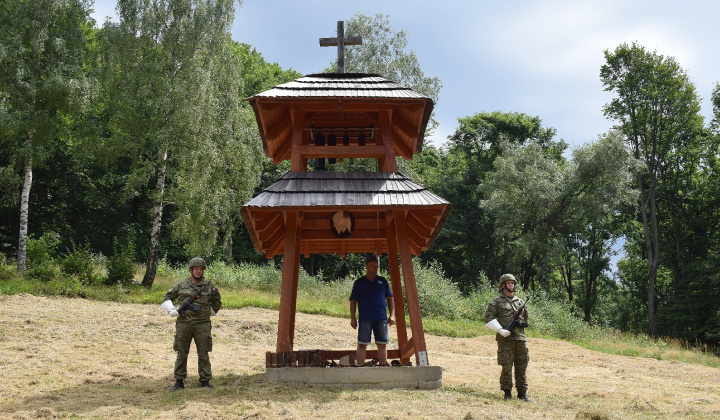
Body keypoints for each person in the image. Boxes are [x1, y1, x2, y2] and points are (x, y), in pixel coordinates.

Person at [162, 257, 222, 391]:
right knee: (182, 352)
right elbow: (167, 297)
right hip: (184, 324)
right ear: (191, 270)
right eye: (196, 269)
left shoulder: (209, 286)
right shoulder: (181, 285)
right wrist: (171, 309)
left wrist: (209, 313)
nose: (198, 271)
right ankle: (179, 381)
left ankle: (205, 381)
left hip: (202, 325)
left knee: (203, 353)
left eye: (200, 269)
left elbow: (217, 301)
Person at [484, 273, 532, 401]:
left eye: (512, 283)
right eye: (509, 283)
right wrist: (500, 330)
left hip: (520, 339)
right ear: (503, 285)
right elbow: (488, 318)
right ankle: (507, 392)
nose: (511, 285)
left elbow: (526, 319)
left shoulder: (520, 302)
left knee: (522, 366)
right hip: (505, 340)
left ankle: (522, 393)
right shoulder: (497, 301)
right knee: (506, 366)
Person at [349, 254, 395, 366]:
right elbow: (353, 301)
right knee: (362, 343)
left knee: (382, 343)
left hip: (381, 318)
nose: (375, 267)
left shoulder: (382, 281)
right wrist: (353, 318)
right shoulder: (359, 282)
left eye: (376, 265)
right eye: (372, 265)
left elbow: (390, 298)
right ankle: (360, 367)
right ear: (366, 266)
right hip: (365, 318)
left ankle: (383, 367)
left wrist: (392, 315)